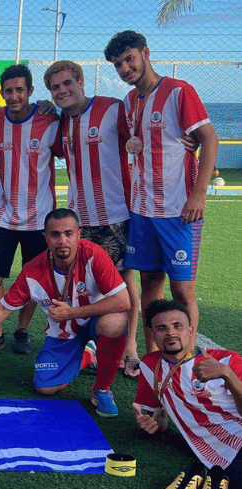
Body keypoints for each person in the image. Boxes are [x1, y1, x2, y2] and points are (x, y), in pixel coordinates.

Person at [0, 209, 130, 417]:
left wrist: (73, 312)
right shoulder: (33, 270)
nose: (62, 240)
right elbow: (3, 308)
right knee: (45, 388)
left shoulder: (94, 255)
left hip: (96, 320)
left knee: (115, 323)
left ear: (79, 235)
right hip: (65, 332)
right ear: (45, 237)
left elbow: (122, 301)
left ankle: (102, 388)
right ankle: (89, 355)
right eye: (55, 234)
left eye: (69, 233)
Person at [104, 30, 218, 353]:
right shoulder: (128, 102)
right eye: (118, 65)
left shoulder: (179, 91)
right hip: (142, 211)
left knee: (183, 290)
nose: (125, 68)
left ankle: (186, 361)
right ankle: (154, 359)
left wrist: (199, 194)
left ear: (145, 53)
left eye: (129, 59)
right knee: (150, 285)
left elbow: (209, 138)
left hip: (179, 211)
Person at [43, 60, 142, 378]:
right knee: (82, 283)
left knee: (122, 283)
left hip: (115, 216)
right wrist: (45, 110)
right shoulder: (61, 122)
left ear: (81, 81)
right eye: (55, 87)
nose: (62, 90)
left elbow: (140, 138)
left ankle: (130, 348)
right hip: (78, 222)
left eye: (66, 83)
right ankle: (88, 345)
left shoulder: (113, 108)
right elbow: (55, 149)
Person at [133, 299, 242, 489]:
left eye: (177, 326)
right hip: (219, 454)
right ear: (152, 334)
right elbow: (159, 418)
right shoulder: (149, 365)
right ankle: (203, 476)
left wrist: (226, 374)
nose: (170, 333)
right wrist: (151, 424)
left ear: (191, 330)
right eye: (161, 328)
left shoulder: (226, 360)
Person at [0, 63, 61, 354]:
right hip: (2, 215)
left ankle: (22, 329)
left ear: (30, 91)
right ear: (1, 93)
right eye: (8, 91)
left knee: (34, 280)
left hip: (39, 219)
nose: (13, 96)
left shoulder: (50, 120)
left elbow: (69, 150)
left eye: (19, 90)